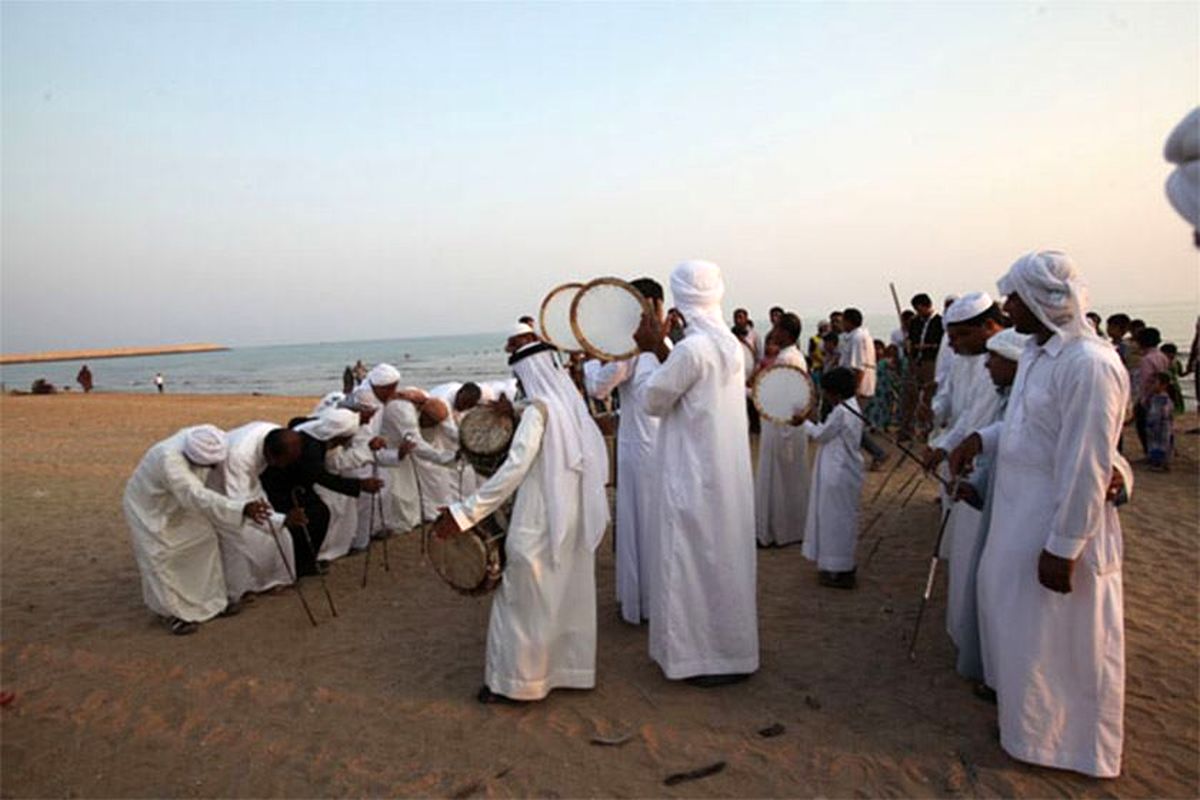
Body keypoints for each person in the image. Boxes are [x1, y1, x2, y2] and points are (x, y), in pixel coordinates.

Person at [948, 250, 1128, 778]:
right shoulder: (1035, 354)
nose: (1005, 307)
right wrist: (982, 437)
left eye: (1013, 299)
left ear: (1040, 302)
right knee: (1020, 632)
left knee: (1061, 641)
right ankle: (1025, 731)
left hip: (1056, 524)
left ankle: (1068, 746)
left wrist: (1065, 545)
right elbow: (1027, 429)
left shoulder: (1091, 366)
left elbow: (1087, 464)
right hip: (1015, 517)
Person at [431, 339, 609, 703]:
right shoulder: (568, 405)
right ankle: (569, 671)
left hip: (539, 514)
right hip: (571, 510)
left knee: (520, 598)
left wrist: (465, 512)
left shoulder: (537, 412)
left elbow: (514, 469)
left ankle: (513, 683)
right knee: (564, 594)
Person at [633, 260, 758, 686]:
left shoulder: (690, 349)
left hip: (691, 473)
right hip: (724, 473)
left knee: (690, 562)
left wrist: (653, 347)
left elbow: (653, 399)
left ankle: (698, 658)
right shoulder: (729, 347)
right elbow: (689, 386)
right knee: (722, 560)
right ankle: (731, 653)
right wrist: (664, 346)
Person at [123, 425, 273, 635]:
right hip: (151, 507)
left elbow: (196, 493)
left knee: (205, 541)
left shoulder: (206, 436)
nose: (212, 469)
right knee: (164, 555)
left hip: (181, 504)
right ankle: (175, 614)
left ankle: (214, 603)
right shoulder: (169, 460)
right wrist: (242, 508)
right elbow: (196, 494)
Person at [584, 277, 668, 625]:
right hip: (662, 442)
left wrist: (589, 362)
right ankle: (656, 599)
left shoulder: (633, 346)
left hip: (639, 446)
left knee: (638, 522)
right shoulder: (666, 342)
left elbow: (600, 387)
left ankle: (641, 602)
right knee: (658, 522)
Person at [948, 327, 1027, 684]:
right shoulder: (1005, 398)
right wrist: (974, 484)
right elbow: (990, 433)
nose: (988, 365)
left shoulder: (1023, 400)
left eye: (995, 359)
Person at [260, 408, 384, 577]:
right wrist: (360, 485)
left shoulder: (315, 432)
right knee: (312, 516)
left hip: (300, 483)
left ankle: (307, 562)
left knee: (320, 513)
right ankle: (298, 566)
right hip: (282, 485)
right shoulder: (312, 448)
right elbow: (323, 477)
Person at [209, 423, 307, 603]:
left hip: (251, 483)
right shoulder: (238, 456)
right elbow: (241, 506)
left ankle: (277, 580)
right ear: (270, 455)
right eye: (281, 462)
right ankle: (243, 589)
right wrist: (283, 519)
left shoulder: (275, 434)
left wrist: (279, 520)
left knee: (279, 534)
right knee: (241, 536)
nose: (282, 467)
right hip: (224, 491)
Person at [792, 367, 863, 589]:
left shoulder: (841, 411)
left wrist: (802, 423)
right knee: (841, 519)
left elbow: (822, 434)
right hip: (844, 470)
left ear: (835, 393)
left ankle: (839, 568)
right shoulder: (851, 407)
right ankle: (837, 566)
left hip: (836, 471)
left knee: (835, 521)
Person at [753, 312, 809, 549]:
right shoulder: (793, 355)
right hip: (785, 425)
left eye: (776, 328)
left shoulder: (787, 359)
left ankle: (776, 530)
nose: (773, 333)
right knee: (788, 480)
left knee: (779, 479)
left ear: (785, 332)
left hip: (782, 426)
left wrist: (750, 392)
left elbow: (779, 395)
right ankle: (787, 528)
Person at [839, 308, 886, 469]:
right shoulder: (856, 336)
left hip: (859, 385)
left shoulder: (858, 338)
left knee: (853, 424)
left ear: (849, 321)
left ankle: (878, 453)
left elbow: (858, 366)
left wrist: (856, 388)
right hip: (859, 383)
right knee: (852, 424)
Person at [900, 293, 943, 439]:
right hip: (915, 362)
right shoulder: (916, 322)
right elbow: (911, 341)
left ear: (924, 306)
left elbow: (941, 346)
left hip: (930, 362)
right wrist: (910, 347)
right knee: (910, 396)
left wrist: (927, 346)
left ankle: (929, 429)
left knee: (929, 396)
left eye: (918, 309)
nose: (918, 312)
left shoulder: (939, 322)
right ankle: (908, 429)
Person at [1132, 327, 1169, 457]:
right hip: (1162, 395)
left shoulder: (1147, 360)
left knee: (1145, 427)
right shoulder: (1161, 356)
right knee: (1161, 427)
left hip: (1150, 397)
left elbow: (1146, 381)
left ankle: (1150, 453)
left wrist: (1144, 399)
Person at [1145, 372, 1175, 471]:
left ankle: (1162, 463)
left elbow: (1166, 414)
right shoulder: (1154, 397)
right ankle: (1156, 462)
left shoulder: (1165, 399)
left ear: (1163, 385)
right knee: (1154, 444)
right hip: (1154, 426)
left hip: (1162, 426)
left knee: (1162, 444)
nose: (1152, 385)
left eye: (1155, 383)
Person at [1160, 343, 1186, 413]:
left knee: (1176, 401)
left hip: (1174, 385)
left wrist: (1189, 370)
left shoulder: (1176, 362)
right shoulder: (1162, 361)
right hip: (1166, 385)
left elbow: (1180, 374)